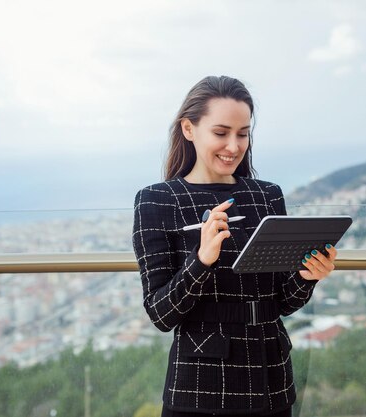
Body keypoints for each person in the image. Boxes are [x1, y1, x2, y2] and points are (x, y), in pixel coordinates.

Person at [132, 75, 337, 416]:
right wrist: (201, 261)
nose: (234, 146)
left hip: (271, 377)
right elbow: (161, 314)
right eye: (221, 132)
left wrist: (307, 276)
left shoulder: (267, 195)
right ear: (188, 129)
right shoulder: (158, 200)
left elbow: (284, 302)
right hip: (200, 385)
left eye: (243, 134)